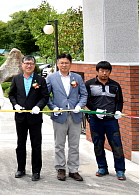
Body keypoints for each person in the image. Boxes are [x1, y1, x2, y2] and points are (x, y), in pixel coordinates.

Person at [46, 53, 87, 181]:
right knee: (59, 144)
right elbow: (46, 96)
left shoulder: (77, 78)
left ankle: (74, 170)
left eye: (66, 63)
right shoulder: (51, 78)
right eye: (61, 63)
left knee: (74, 144)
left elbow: (84, 94)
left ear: (70, 64)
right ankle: (60, 168)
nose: (64, 65)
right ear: (57, 64)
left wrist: (79, 106)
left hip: (75, 115)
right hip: (59, 115)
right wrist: (53, 108)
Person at [9, 55, 49, 181]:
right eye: (26, 63)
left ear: (34, 65)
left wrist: (38, 106)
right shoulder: (16, 79)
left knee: (36, 145)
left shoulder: (40, 80)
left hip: (35, 117)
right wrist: (15, 105)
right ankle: (20, 169)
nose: (29, 65)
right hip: (20, 117)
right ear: (22, 65)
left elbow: (45, 96)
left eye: (31, 63)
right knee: (21, 144)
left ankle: (36, 171)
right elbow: (11, 94)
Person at [85, 61, 126, 181]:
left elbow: (119, 101)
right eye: (102, 71)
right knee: (98, 145)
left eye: (106, 71)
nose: (104, 73)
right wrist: (95, 110)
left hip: (111, 120)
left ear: (110, 72)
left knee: (116, 144)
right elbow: (87, 100)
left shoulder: (115, 85)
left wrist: (118, 111)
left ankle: (120, 170)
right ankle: (102, 167)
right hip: (95, 120)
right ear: (97, 71)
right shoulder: (89, 84)